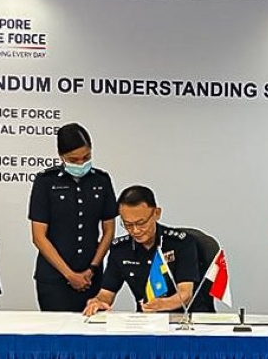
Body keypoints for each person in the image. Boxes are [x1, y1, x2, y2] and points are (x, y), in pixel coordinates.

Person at [29, 123, 117, 311]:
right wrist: (69, 275)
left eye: (86, 157)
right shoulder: (46, 182)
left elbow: (109, 230)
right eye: (73, 160)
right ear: (61, 156)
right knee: (57, 328)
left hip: (91, 276)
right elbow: (38, 236)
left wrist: (92, 268)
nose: (80, 163)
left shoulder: (101, 180)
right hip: (54, 278)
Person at [83, 186, 200, 316]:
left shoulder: (181, 243)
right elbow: (106, 293)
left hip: (184, 319)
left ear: (156, 213)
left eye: (141, 223)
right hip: (145, 320)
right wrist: (98, 302)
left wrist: (161, 305)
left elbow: (185, 293)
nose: (135, 230)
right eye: (128, 224)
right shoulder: (120, 249)